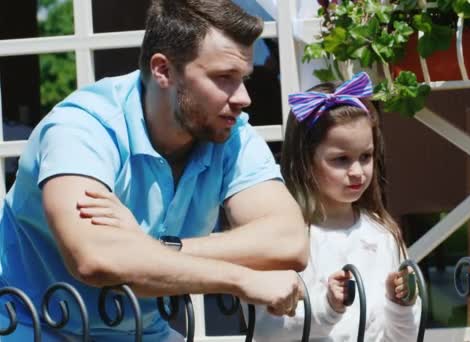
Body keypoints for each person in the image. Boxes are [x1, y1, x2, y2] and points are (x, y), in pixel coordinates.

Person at [0, 0, 308, 340]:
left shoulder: (231, 134)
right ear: (163, 70)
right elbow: (95, 258)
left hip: (144, 331)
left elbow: (290, 240)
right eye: (224, 78)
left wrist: (157, 246)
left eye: (243, 78)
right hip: (28, 325)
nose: (244, 97)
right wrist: (242, 279)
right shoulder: (82, 126)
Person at [245, 72, 422, 340]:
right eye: (340, 159)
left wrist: (401, 305)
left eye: (366, 156)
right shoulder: (290, 238)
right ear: (307, 160)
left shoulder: (382, 234)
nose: (357, 172)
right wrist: (327, 307)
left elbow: (403, 336)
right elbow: (267, 329)